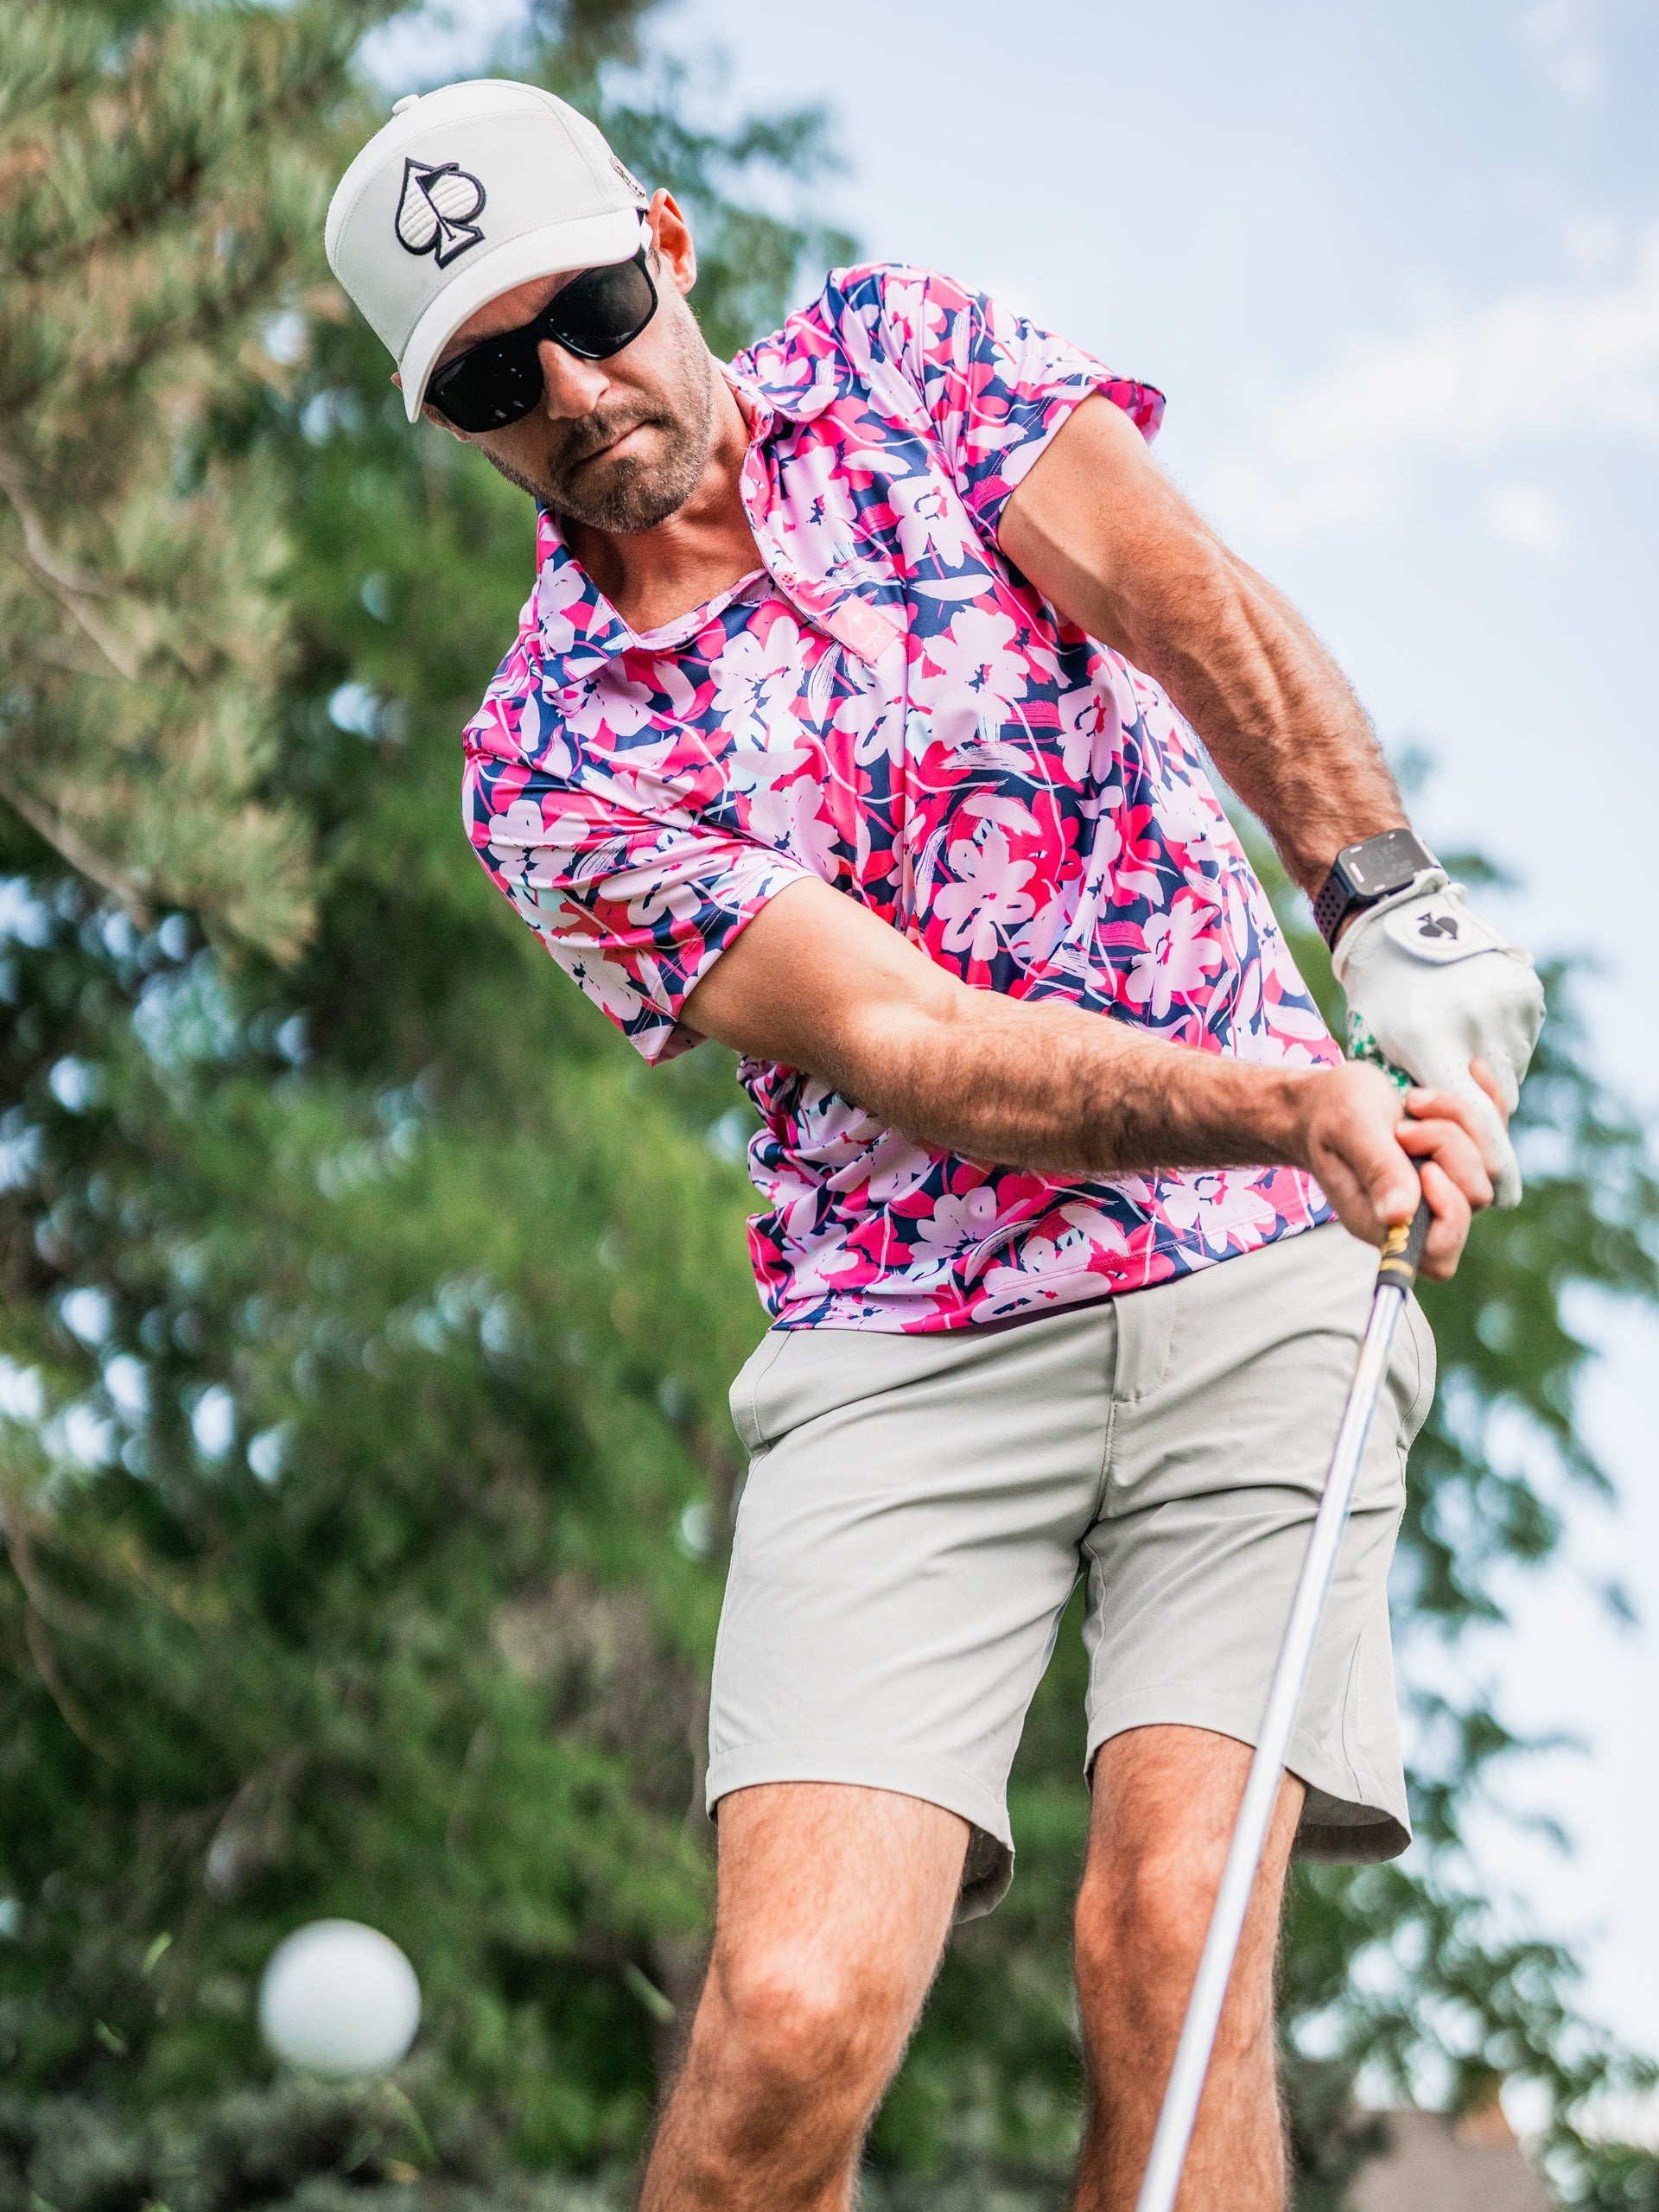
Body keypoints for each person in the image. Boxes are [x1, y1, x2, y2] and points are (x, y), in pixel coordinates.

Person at [327, 79, 1545, 2212]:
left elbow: (1182, 597)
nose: (579, 393)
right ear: (454, 421)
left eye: (594, 309)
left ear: (672, 244)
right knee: (789, 2016)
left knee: (1172, 1946)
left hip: (1258, 1273)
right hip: (908, 1340)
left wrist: (1387, 903)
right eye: (494, 381)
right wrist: (1295, 1094)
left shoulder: (911, 358)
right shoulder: (542, 760)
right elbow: (909, 1037)